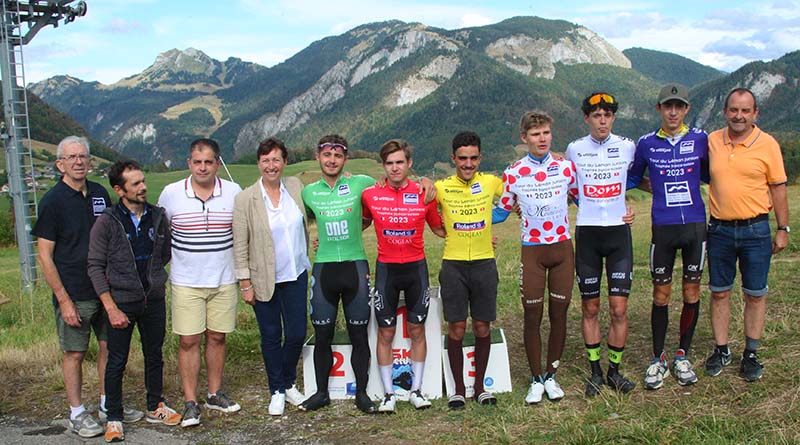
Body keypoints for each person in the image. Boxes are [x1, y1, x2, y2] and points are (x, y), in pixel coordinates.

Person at [87, 160, 182, 443]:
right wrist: (110, 307)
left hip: (153, 298)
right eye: (135, 184)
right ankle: (114, 417)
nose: (143, 187)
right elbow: (95, 266)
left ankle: (155, 405)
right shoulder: (107, 221)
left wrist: (154, 279)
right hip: (121, 302)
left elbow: (164, 254)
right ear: (119, 190)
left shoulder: (157, 216)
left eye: (143, 181)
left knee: (154, 354)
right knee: (117, 360)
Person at [32, 136, 117, 438]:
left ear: (90, 161)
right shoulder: (52, 201)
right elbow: (45, 255)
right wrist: (63, 300)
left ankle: (107, 405)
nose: (79, 162)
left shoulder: (100, 194)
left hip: (105, 289)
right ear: (60, 164)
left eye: (83, 156)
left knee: (109, 347)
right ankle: (77, 413)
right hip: (74, 291)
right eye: (72, 157)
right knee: (75, 353)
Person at [703, 87, 790, 382]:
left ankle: (751, 353)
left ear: (755, 113)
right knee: (719, 292)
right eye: (734, 110)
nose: (738, 116)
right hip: (720, 229)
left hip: (756, 230)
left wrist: (782, 228)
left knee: (755, 294)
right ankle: (721, 349)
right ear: (725, 111)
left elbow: (778, 187)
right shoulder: (712, 141)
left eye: (745, 110)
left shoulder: (767, 144)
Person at [628, 83, 709, 390]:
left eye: (679, 106)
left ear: (686, 109)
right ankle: (658, 358)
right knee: (660, 294)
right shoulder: (647, 143)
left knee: (691, 292)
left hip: (695, 226)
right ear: (659, 109)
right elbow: (632, 176)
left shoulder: (700, 138)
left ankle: (682, 355)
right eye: (667, 106)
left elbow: (712, 173)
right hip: (663, 227)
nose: (673, 112)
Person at [494, 112, 578, 404]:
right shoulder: (514, 172)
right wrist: (459, 218)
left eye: (545, 133)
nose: (541, 139)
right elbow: (501, 212)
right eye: (535, 134)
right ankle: (535, 379)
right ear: (524, 138)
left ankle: (551, 375)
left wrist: (621, 210)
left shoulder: (566, 167)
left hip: (562, 249)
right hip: (532, 251)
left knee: (559, 314)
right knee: (532, 315)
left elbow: (586, 199)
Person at [157, 138, 242, 427]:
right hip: (186, 281)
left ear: (218, 163)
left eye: (208, 162)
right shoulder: (171, 194)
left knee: (217, 337)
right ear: (189, 163)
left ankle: (214, 394)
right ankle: (191, 401)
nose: (202, 167)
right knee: (189, 340)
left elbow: (241, 232)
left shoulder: (233, 191)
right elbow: (162, 233)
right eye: (197, 162)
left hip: (223, 279)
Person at [361, 139, 445, 412]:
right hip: (386, 270)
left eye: (400, 162)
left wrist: (476, 233)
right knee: (385, 332)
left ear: (409, 163)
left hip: (415, 269)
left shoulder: (424, 193)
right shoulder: (370, 194)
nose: (395, 168)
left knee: (417, 329)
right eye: (389, 163)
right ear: (383, 165)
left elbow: (440, 229)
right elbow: (358, 224)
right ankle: (389, 395)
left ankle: (416, 391)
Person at [299, 135, 378, 414]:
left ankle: (362, 394)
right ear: (318, 157)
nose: (331, 160)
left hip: (355, 266)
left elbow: (392, 184)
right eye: (326, 155)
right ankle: (322, 393)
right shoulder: (308, 192)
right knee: (323, 334)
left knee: (359, 334)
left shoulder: (361, 183)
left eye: (337, 155)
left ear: (345, 159)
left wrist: (425, 182)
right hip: (324, 268)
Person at [232, 138, 310, 416]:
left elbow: (313, 215)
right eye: (265, 160)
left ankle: (288, 382)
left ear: (285, 162)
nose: (271, 166)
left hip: (296, 273)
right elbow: (240, 244)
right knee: (271, 335)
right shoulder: (246, 199)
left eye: (276, 159)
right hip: (264, 278)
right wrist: (245, 283)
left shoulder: (295, 187)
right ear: (258, 164)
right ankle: (277, 389)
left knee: (297, 333)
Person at [566, 92, 637, 396]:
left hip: (619, 234)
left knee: (619, 308)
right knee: (591, 307)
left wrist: (629, 207)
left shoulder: (628, 146)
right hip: (588, 233)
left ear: (613, 117)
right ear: (587, 118)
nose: (602, 120)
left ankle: (614, 372)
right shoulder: (575, 149)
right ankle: (595, 371)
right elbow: (567, 185)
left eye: (607, 115)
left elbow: (638, 178)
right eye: (597, 115)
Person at [435, 130, 504, 409]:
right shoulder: (441, 187)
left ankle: (480, 388)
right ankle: (459, 390)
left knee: (482, 325)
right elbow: (416, 199)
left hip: (484, 263)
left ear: (480, 158)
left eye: (473, 158)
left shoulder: (490, 182)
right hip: (453, 265)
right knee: (456, 327)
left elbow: (520, 190)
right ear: (453, 158)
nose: (468, 164)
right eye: (462, 158)